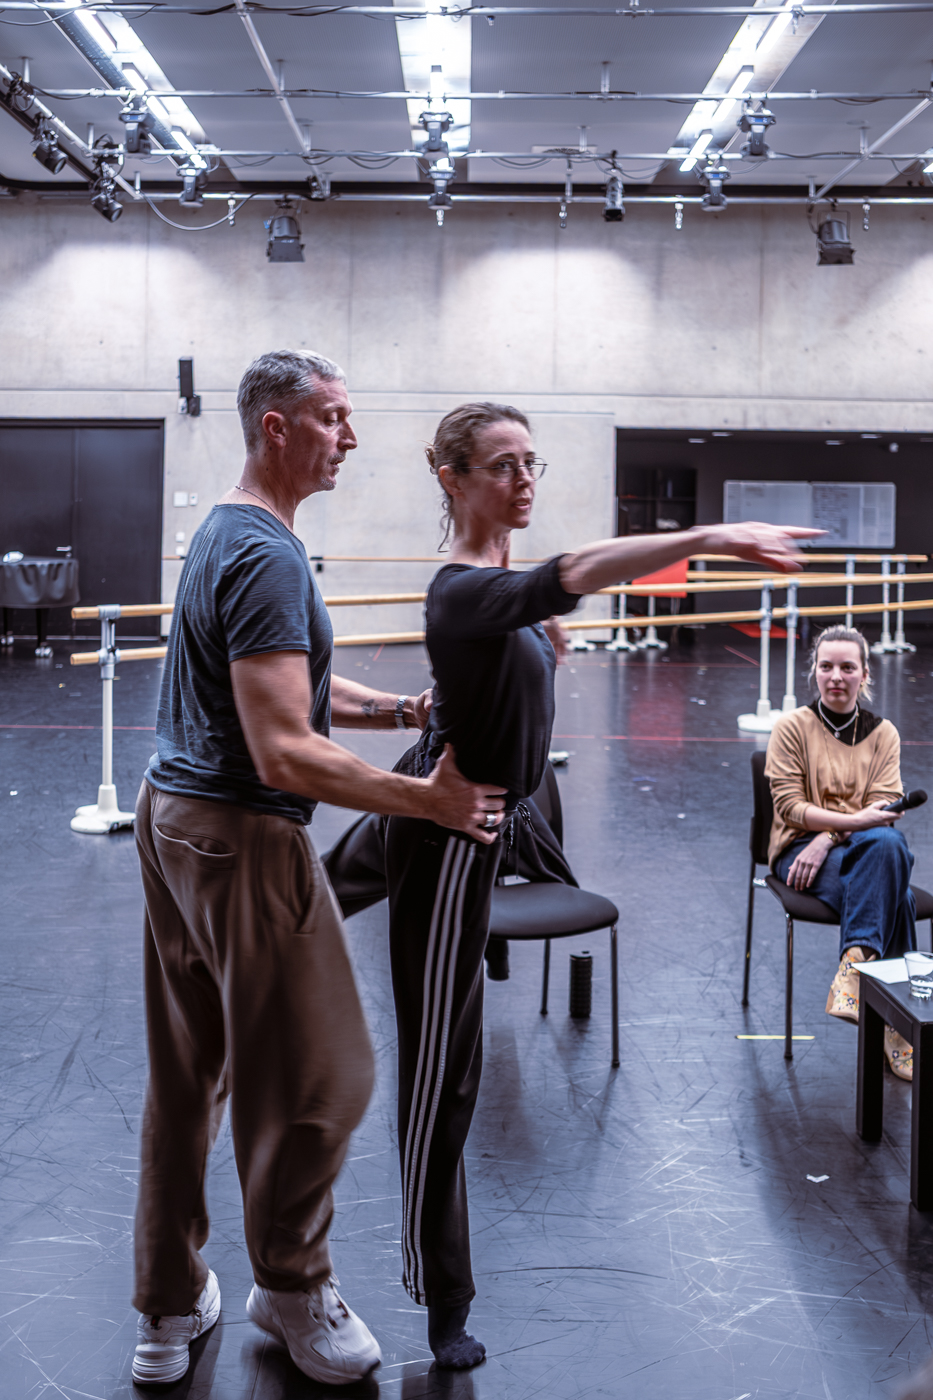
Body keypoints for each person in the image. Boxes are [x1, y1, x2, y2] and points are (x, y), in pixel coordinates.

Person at [378, 400, 816, 1370]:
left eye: (531, 461)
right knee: (442, 1074)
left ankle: (295, 908)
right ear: (452, 478)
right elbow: (569, 571)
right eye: (502, 465)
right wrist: (707, 538)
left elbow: (534, 609)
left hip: (496, 824)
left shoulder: (501, 597)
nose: (523, 479)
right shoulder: (462, 590)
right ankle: (441, 1294)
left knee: (361, 940)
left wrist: (529, 641)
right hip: (449, 840)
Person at [130, 352, 507, 1387]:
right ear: (277, 426)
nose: (350, 436)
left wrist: (395, 711)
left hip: (172, 822)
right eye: (333, 418)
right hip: (242, 840)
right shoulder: (266, 555)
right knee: (326, 1077)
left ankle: (167, 1303)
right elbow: (282, 753)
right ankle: (291, 1285)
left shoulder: (227, 531)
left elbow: (280, 686)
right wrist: (429, 798)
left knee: (187, 1076)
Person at [766, 624, 917, 1079]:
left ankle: (855, 971)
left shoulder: (883, 733)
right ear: (814, 671)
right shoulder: (791, 727)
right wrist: (839, 830)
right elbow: (790, 807)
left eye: (847, 667)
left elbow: (884, 810)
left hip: (855, 848)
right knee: (896, 888)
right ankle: (898, 1026)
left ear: (864, 673)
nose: (836, 676)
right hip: (798, 853)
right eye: (826, 666)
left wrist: (829, 835)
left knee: (886, 847)